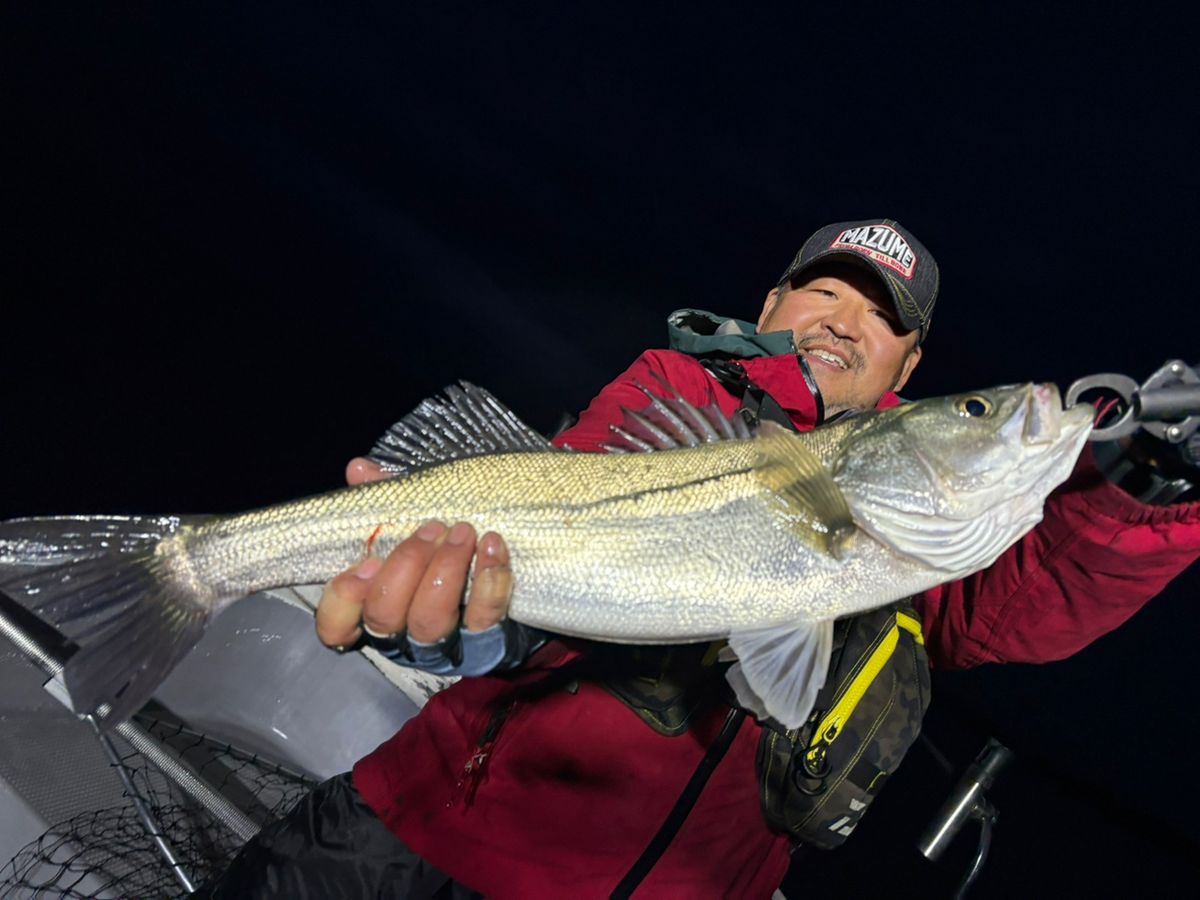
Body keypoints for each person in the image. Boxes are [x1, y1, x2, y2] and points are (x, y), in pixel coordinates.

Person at [201, 219, 1200, 898]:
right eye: (822, 291)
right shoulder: (679, 389)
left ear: (909, 370)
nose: (846, 320)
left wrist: (1160, 490)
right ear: (772, 304)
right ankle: (196, 563)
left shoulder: (921, 535)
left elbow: (1028, 601)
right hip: (425, 834)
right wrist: (452, 632)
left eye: (883, 317)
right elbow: (549, 558)